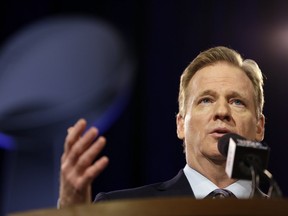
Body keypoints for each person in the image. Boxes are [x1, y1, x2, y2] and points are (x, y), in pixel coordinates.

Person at [58, 46, 267, 207]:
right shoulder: (121, 210)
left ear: (259, 127)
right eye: (206, 100)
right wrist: (72, 212)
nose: (222, 111)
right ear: (180, 125)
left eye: (237, 102)